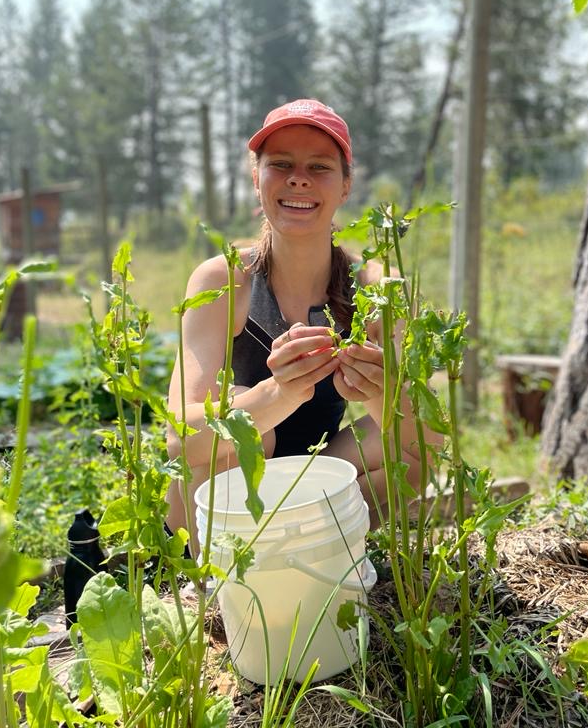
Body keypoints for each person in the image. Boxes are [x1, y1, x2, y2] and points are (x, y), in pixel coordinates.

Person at [164, 98, 431, 546]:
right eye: (281, 164)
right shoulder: (225, 279)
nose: (299, 178)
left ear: (346, 186)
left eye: (320, 167)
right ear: (257, 179)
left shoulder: (374, 286)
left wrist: (384, 391)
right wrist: (279, 392)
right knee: (246, 426)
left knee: (409, 441)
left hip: (314, 481)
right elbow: (179, 439)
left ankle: (318, 558)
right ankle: (213, 585)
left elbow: (425, 440)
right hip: (210, 510)